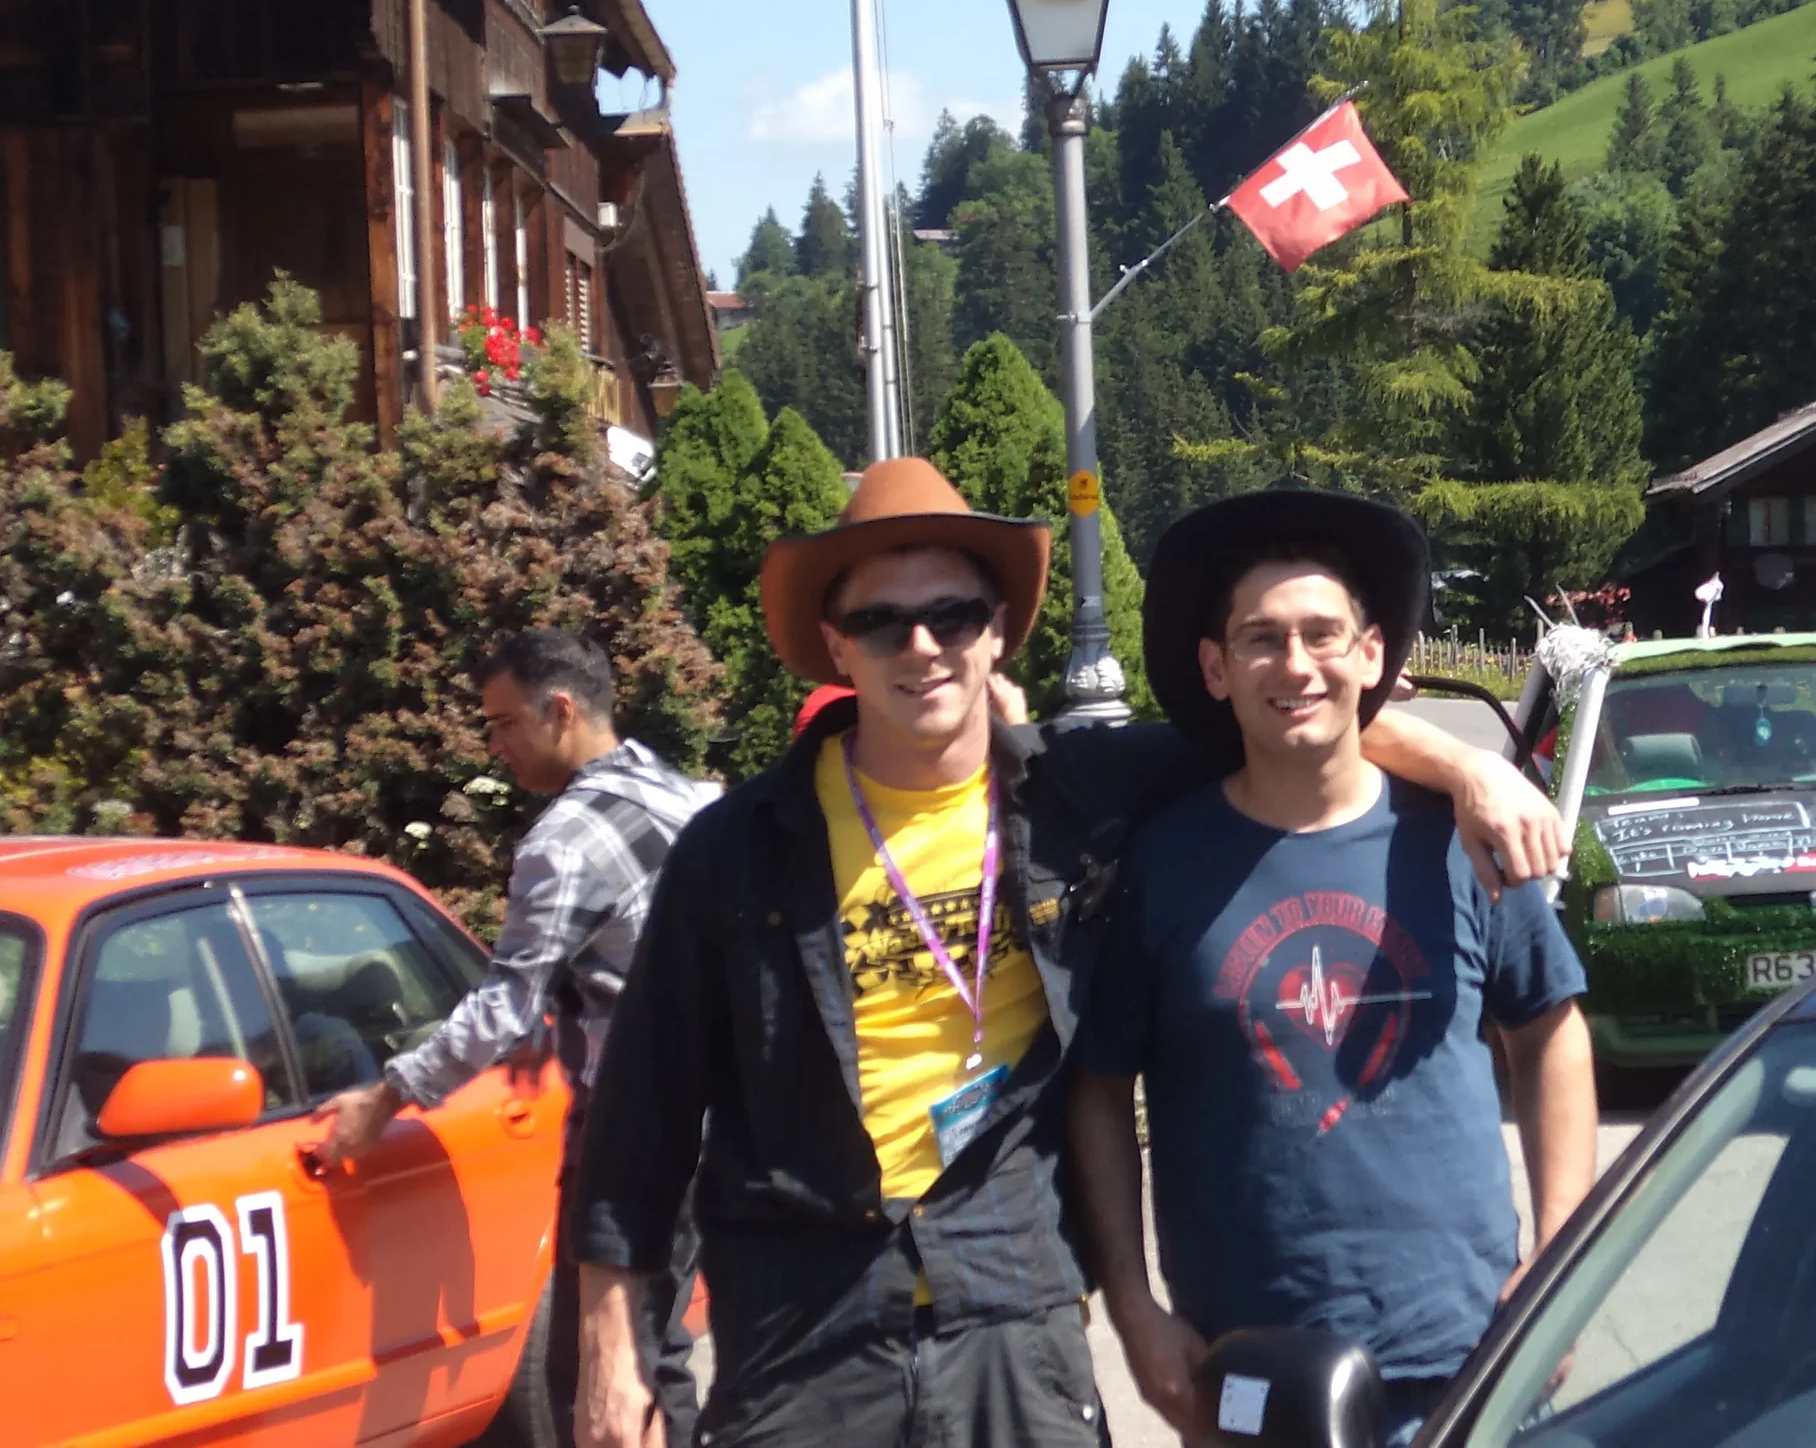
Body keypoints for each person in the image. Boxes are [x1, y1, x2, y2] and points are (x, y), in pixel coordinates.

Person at [570, 459, 1566, 1448]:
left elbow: (1302, 715)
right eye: (882, 622)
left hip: (1010, 1312)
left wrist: (1472, 768)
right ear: (837, 644)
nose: (922, 647)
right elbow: (639, 1126)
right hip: (805, 1331)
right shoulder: (736, 852)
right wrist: (612, 1363)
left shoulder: (1079, 793)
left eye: (953, 615)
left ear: (996, 630)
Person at [1068, 490, 1599, 1446]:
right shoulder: (1157, 863)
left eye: (1323, 633)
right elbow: (1100, 1088)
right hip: (1245, 1374)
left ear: (1371, 653)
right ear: (1215, 668)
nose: (1295, 664)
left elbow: (1552, 1028)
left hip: (1467, 1354)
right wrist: (1133, 1306)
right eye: (1262, 639)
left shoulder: (1458, 842)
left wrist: (1562, 1247)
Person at [315, 629, 712, 1447]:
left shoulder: (563, 843)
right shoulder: (691, 798)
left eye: (502, 723)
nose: (493, 745)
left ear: (559, 710)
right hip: (718, 1117)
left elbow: (501, 1005)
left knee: (596, 1373)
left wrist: (386, 1094)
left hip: (635, 1132)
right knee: (659, 1351)